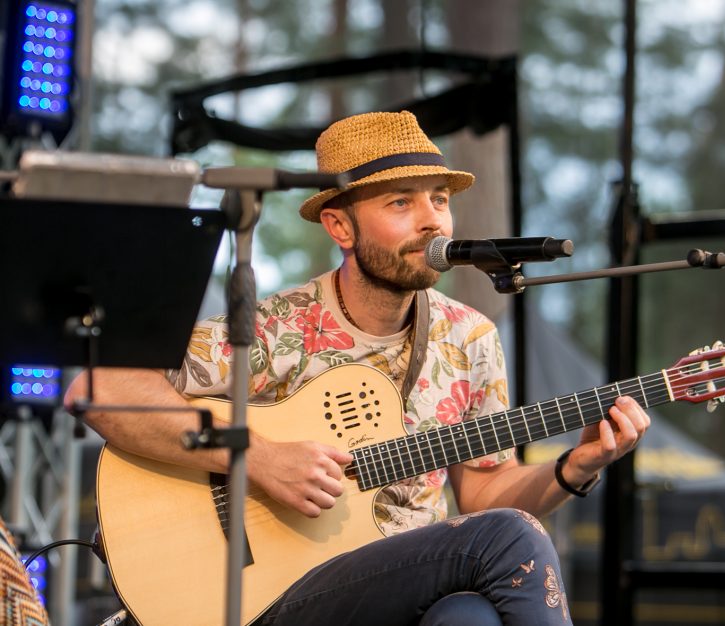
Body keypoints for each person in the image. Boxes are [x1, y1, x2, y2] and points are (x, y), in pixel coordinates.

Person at [65, 111, 650, 625]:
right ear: (340, 226)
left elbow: (483, 494)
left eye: (439, 200)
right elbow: (98, 387)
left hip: (410, 583)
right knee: (516, 537)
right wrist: (255, 457)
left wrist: (576, 465)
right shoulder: (277, 329)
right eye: (402, 202)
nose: (433, 222)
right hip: (276, 594)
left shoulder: (471, 337)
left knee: (468, 615)